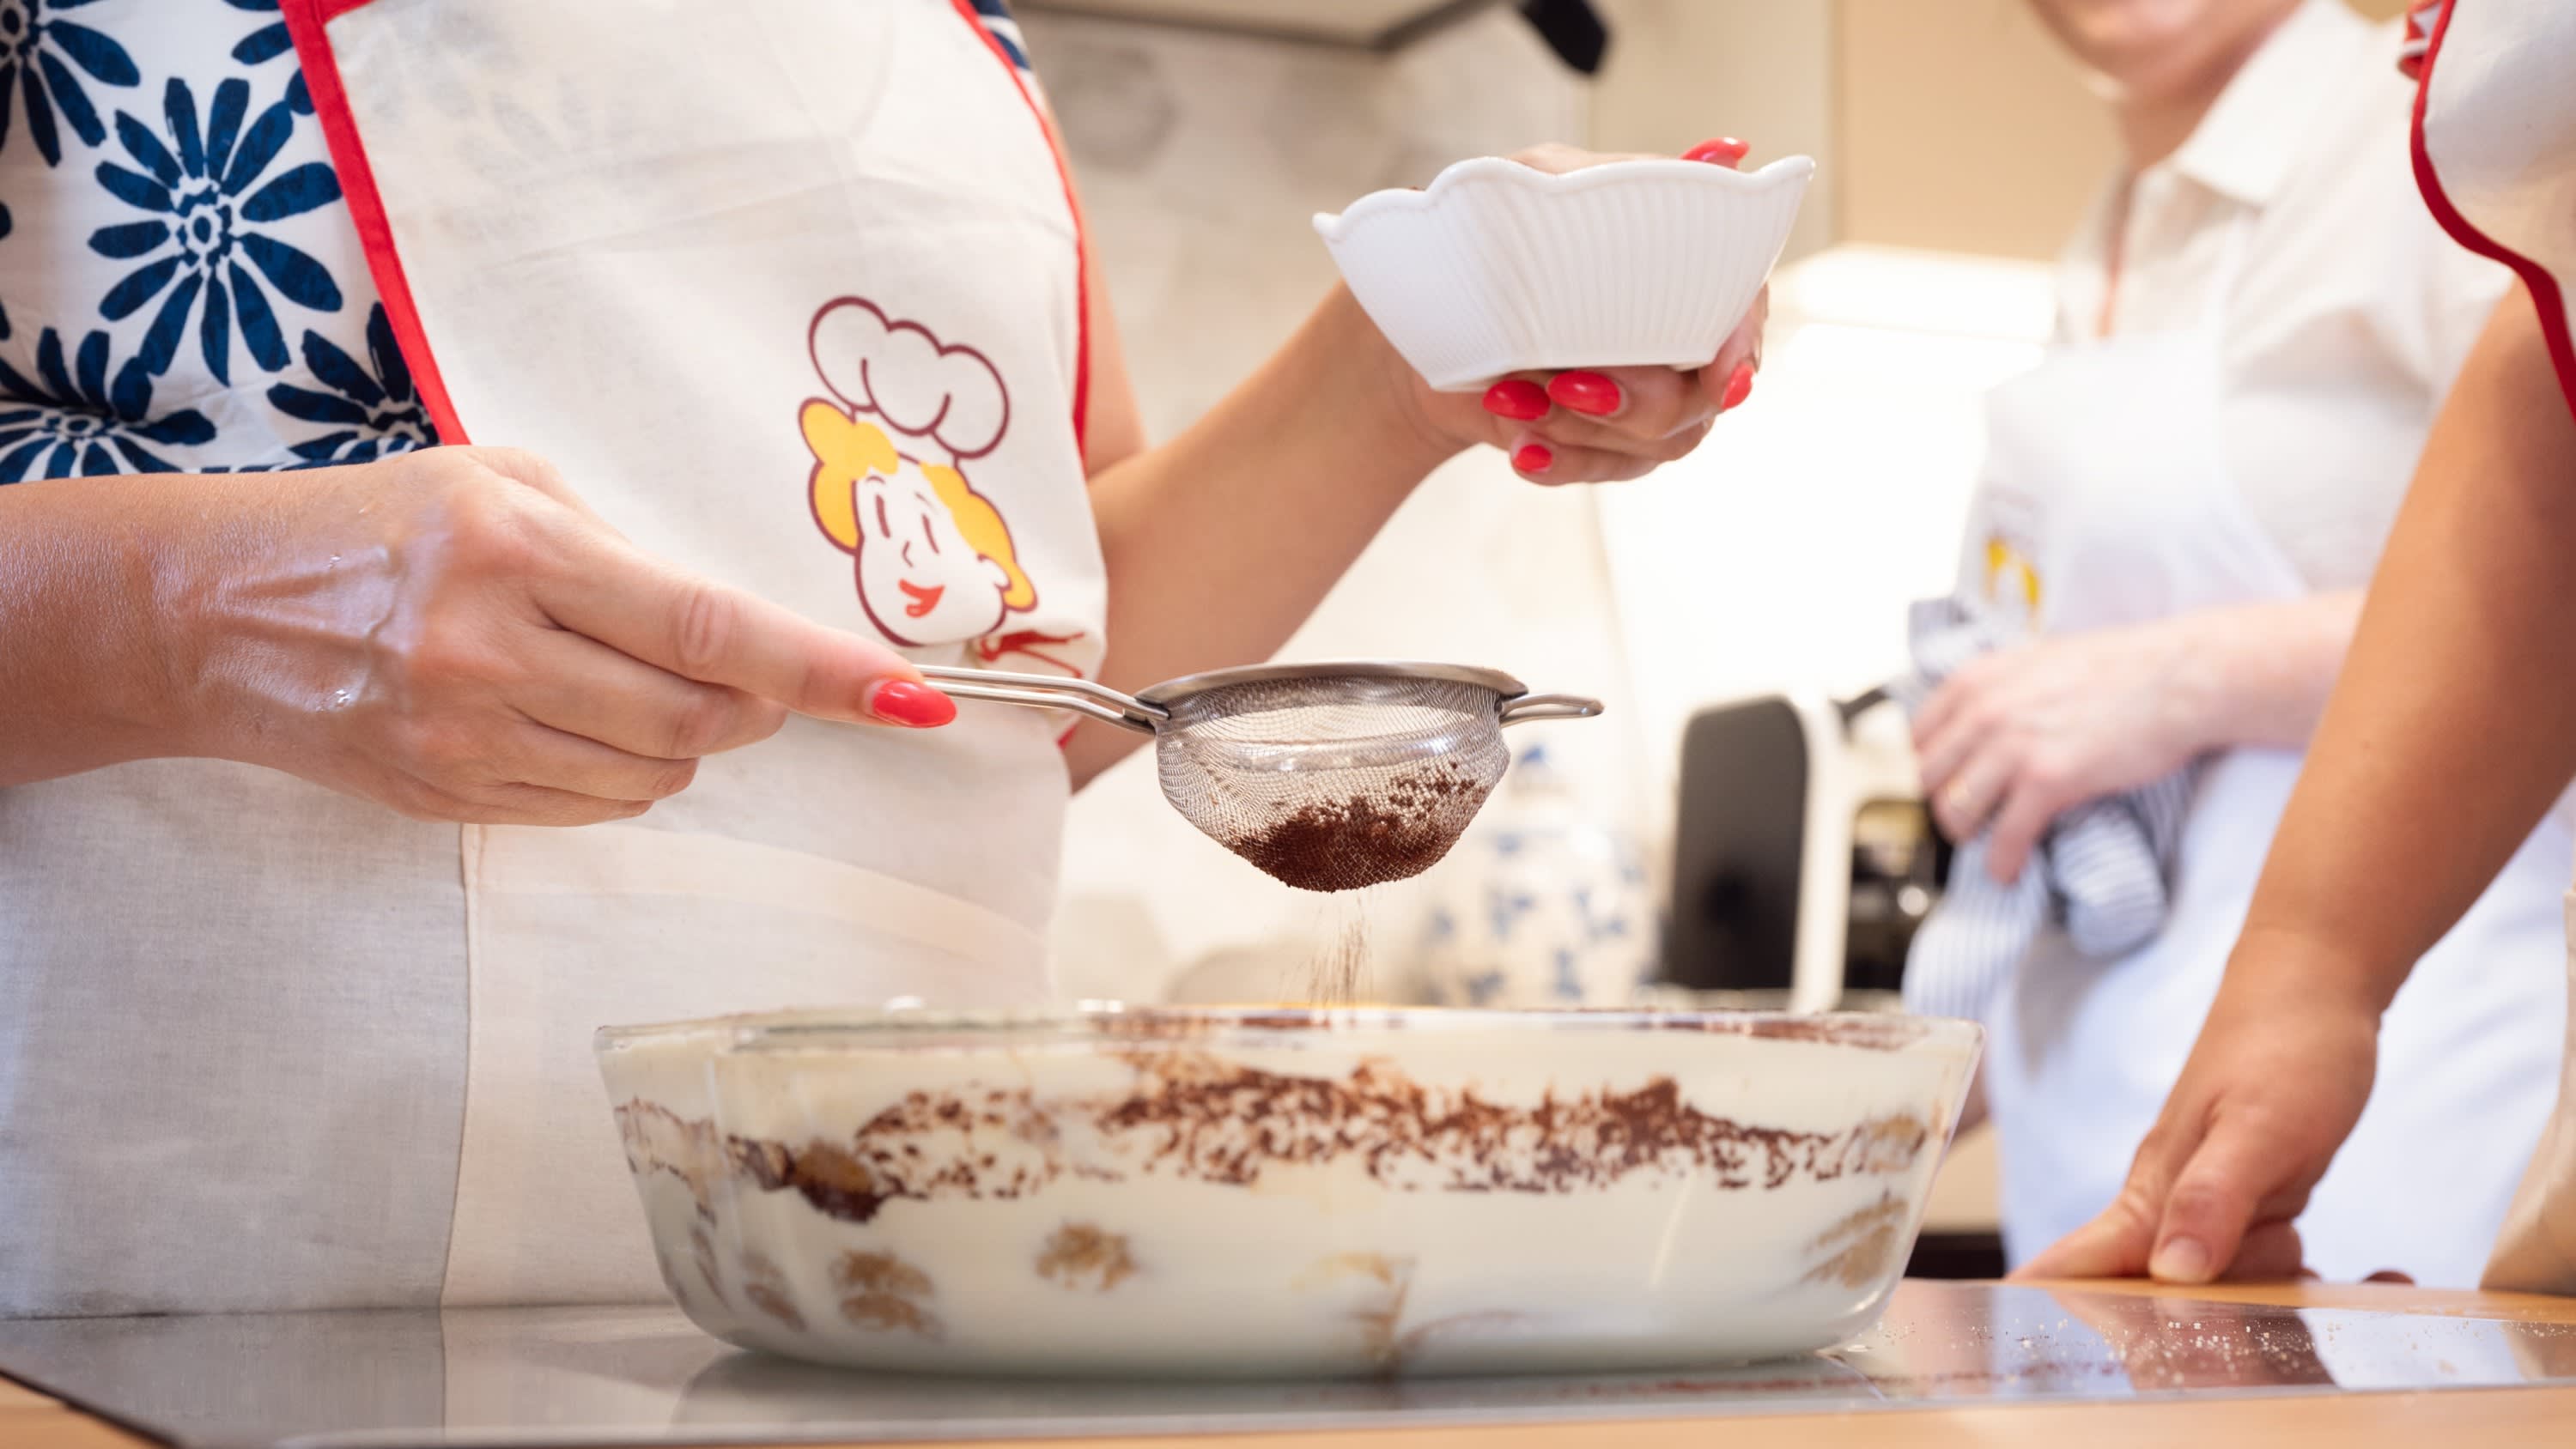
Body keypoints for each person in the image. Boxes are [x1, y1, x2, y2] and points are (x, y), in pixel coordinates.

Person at [0, 0, 1761, 1315]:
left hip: (884, 1301)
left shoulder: (955, 29)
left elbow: (1019, 665)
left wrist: (1394, 368)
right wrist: (191, 610)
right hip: (191, 1297)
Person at [1903, 0, 2567, 1284]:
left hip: (2407, 1107)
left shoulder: (2451, 127)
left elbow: (2552, 558)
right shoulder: (2108, 238)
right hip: (2110, 1122)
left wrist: (2178, 681)